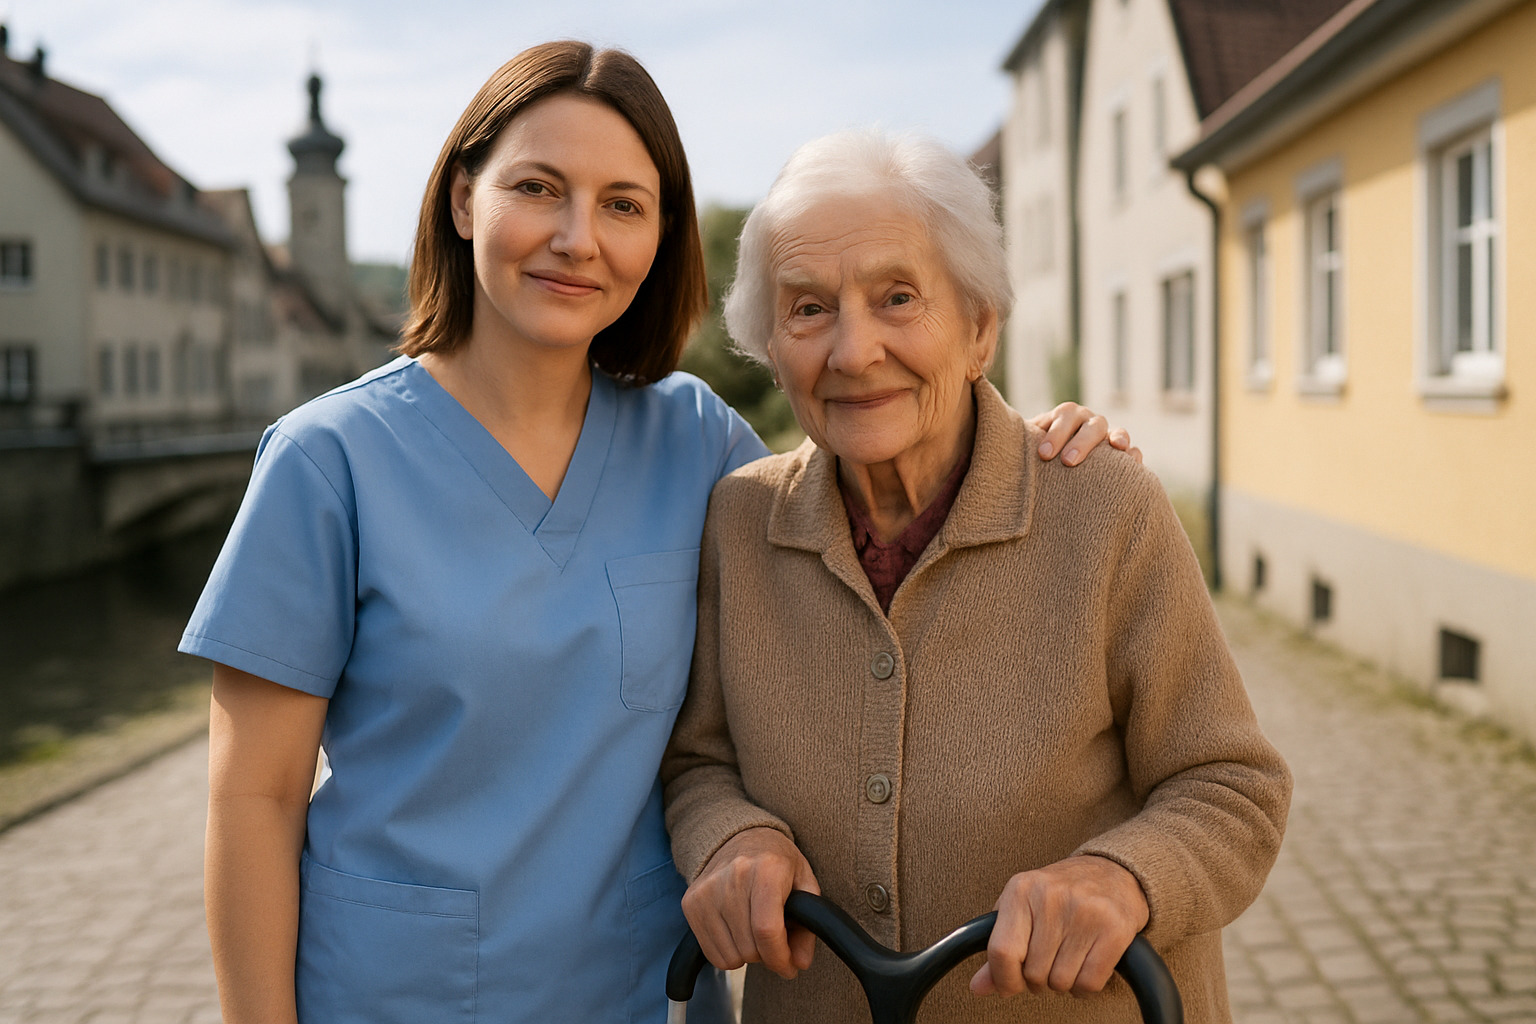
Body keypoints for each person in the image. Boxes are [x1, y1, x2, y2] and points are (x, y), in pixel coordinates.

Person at [180, 42, 1129, 1024]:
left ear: (660, 237)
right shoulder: (326, 461)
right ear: (464, 201)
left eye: (624, 205)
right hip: (396, 997)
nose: (578, 238)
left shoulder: (698, 442)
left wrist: (1033, 442)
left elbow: (880, 475)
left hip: (648, 996)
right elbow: (254, 800)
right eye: (538, 189)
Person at [661, 127, 1293, 1024]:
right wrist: (732, 838)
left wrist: (1123, 877)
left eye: (898, 298)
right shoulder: (739, 522)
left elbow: (1234, 787)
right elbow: (698, 763)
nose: (853, 351)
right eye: (808, 308)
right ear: (771, 343)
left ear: (980, 329)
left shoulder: (1103, 505)